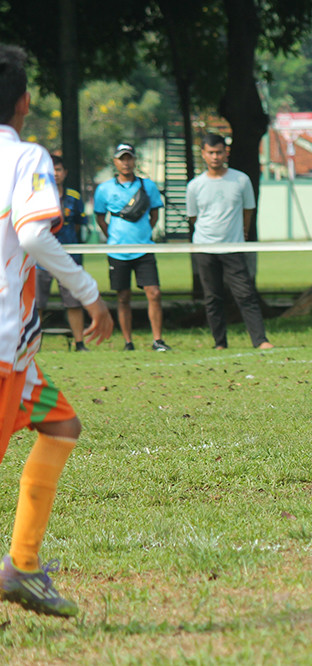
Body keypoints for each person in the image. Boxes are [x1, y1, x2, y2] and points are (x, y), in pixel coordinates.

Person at [0, 43, 114, 618]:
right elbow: (32, 236)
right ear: (23, 101)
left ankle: (21, 565)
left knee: (62, 423)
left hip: (17, 356)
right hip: (0, 344)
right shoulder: (24, 157)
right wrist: (89, 293)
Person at [187, 134, 274, 351]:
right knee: (212, 296)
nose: (215, 157)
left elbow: (248, 210)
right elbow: (193, 217)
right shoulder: (195, 186)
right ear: (203, 154)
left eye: (219, 152)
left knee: (245, 294)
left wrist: (241, 232)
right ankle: (220, 343)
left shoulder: (241, 180)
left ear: (226, 152)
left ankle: (260, 340)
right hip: (204, 247)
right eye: (211, 152)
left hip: (233, 247)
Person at [94, 142, 171, 351]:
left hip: (144, 248)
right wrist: (112, 237)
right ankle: (128, 341)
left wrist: (146, 232)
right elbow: (100, 217)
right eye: (121, 158)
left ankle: (158, 340)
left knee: (154, 292)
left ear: (135, 160)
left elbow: (155, 213)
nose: (126, 163)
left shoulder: (148, 186)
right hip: (117, 251)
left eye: (129, 158)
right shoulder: (105, 189)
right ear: (115, 162)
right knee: (123, 296)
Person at [36, 155, 91, 351]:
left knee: (73, 302)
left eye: (58, 170)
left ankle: (79, 343)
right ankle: (34, 344)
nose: (56, 174)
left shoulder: (74, 198)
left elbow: (78, 225)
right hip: (40, 259)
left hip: (67, 258)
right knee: (37, 304)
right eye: (52, 170)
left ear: (65, 173)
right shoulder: (38, 195)